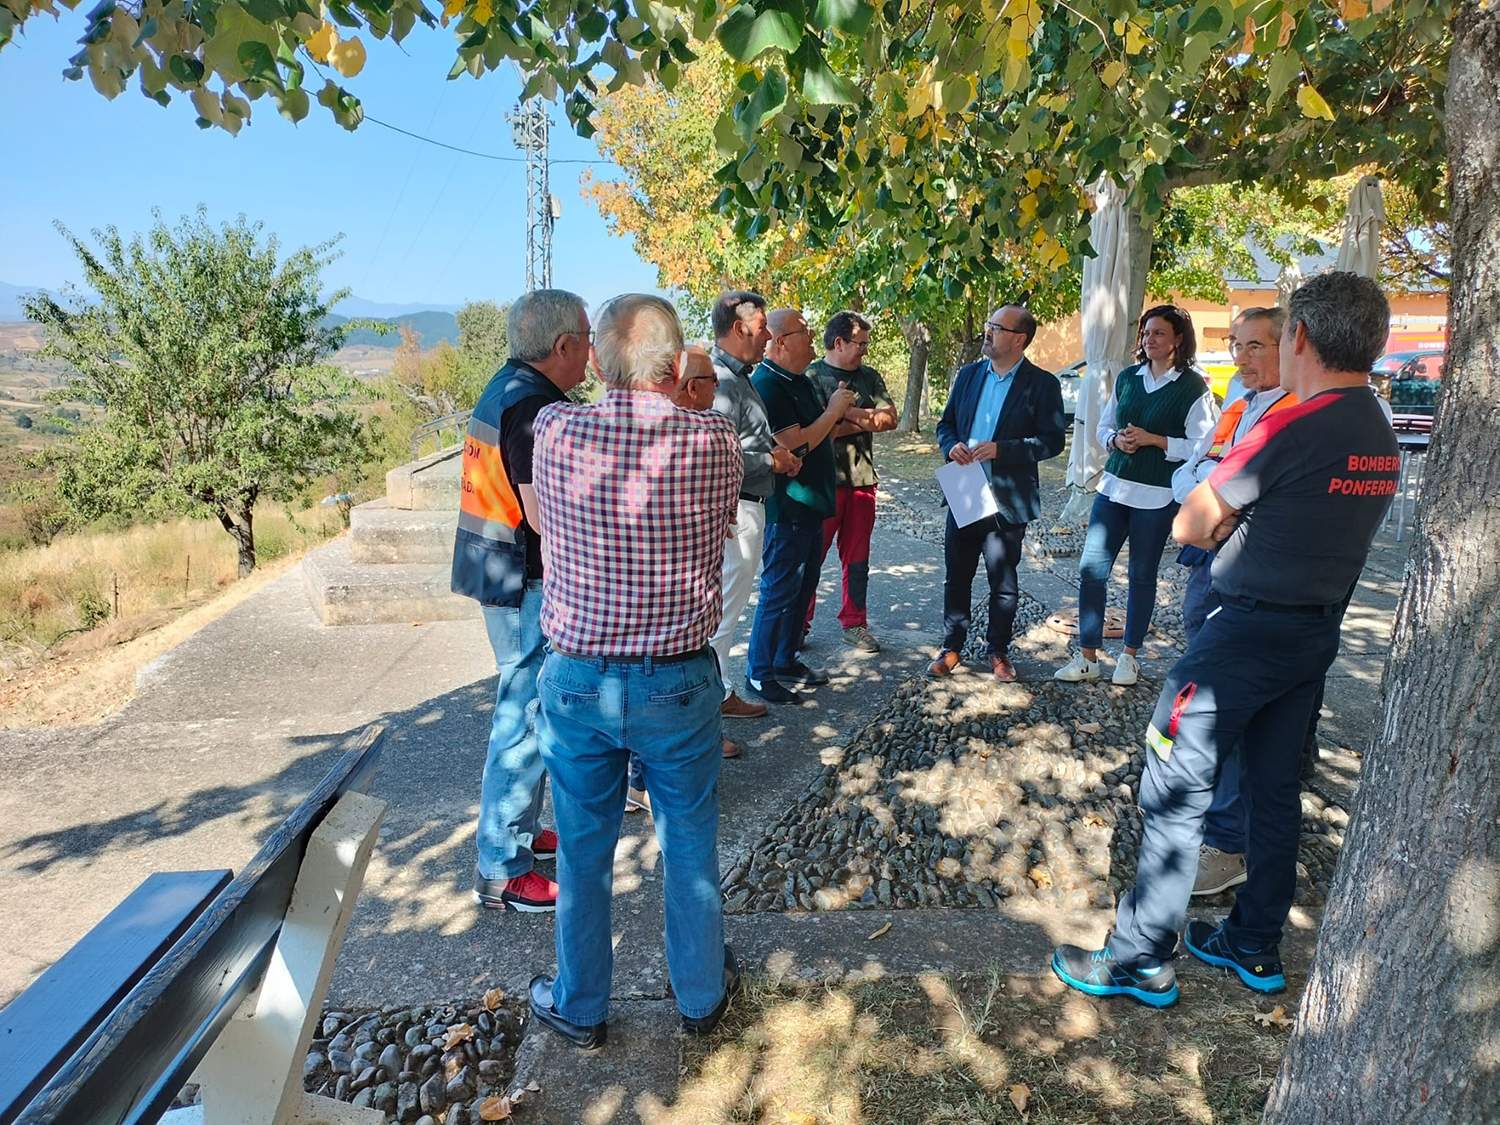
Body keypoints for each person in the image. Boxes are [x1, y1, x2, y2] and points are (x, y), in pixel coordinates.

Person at [1051, 271, 1400, 1008]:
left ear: (1300, 337)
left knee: (1174, 781)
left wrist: (1232, 519)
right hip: (1313, 633)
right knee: (1275, 791)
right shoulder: (1377, 425)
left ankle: (1140, 956)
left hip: (1242, 630)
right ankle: (1253, 940)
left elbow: (1190, 522)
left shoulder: (1293, 423)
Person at [527, 294, 744, 1046]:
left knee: (584, 849)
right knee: (689, 839)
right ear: (680, 364)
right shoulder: (716, 440)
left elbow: (544, 522)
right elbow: (721, 532)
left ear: (594, 360)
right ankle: (700, 996)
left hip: (580, 674)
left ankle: (581, 1004)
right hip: (678, 678)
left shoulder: (554, 430)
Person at [451, 288, 591, 913]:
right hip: (520, 578)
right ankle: (501, 868)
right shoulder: (534, 410)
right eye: (587, 341)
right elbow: (542, 513)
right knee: (523, 719)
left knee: (525, 710)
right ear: (562, 346)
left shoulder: (505, 386)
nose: (591, 354)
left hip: (494, 567)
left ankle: (519, 834)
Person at [1172, 308, 1298, 898]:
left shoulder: (1295, 413)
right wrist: (1211, 498)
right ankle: (1224, 826)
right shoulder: (1239, 402)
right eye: (1236, 344)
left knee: (1230, 708)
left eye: (1255, 346)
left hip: (1254, 580)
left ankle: (1229, 842)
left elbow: (1239, 498)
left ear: (1291, 348)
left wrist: (1216, 506)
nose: (1242, 357)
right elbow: (1196, 471)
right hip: (1213, 563)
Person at [1055, 304, 1218, 687]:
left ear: (1178, 338)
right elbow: (1104, 427)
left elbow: (1201, 445)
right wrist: (1116, 441)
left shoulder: (1193, 387)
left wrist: (1155, 440)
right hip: (1114, 487)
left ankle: (1129, 655)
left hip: (1157, 494)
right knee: (1090, 570)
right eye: (1145, 333)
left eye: (1158, 333)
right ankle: (1087, 656)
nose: (1149, 340)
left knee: (1142, 576)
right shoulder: (1128, 378)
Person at [930, 305, 1066, 681]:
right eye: (988, 324)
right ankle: (951, 647)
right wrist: (951, 445)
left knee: (1003, 581)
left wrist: (1004, 450)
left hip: (1008, 497)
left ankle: (998, 650)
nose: (987, 332)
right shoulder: (969, 375)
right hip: (965, 487)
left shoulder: (1042, 384)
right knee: (957, 574)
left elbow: (1052, 442)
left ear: (1019, 339)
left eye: (996, 327)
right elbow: (946, 424)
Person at [744, 309, 856, 704]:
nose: (812, 338)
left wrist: (844, 416)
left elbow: (821, 429)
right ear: (780, 341)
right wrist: (834, 412)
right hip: (788, 507)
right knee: (778, 589)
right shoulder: (768, 386)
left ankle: (785, 658)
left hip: (811, 505)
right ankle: (759, 672)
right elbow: (795, 443)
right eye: (804, 332)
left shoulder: (798, 381)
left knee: (803, 586)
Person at [706, 292, 803, 725]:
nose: (768, 334)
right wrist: (771, 461)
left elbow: (743, 441)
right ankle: (706, 711)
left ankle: (718, 692)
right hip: (735, 510)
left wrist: (776, 452)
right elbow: (712, 456)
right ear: (740, 327)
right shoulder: (722, 382)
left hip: (747, 506)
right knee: (722, 614)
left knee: (727, 609)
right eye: (762, 325)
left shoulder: (738, 376)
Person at [804, 311, 900, 653]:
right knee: (810, 557)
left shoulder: (869, 377)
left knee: (857, 559)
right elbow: (816, 434)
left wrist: (843, 413)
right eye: (860, 344)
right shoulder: (811, 376)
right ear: (839, 341)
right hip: (822, 482)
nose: (865, 350)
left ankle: (854, 623)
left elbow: (890, 419)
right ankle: (798, 624)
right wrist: (861, 420)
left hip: (862, 482)